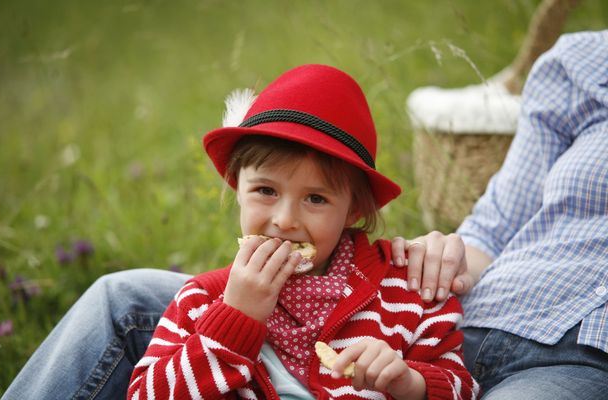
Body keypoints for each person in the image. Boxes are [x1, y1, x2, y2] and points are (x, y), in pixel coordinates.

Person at [125, 64, 477, 399]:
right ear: (237, 189)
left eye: (315, 198)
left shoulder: (407, 292)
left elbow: (464, 388)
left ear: (353, 209)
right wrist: (233, 321)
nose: (285, 219)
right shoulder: (202, 301)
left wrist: (409, 383)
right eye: (265, 191)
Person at [389, 30, 608, 399]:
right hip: (467, 323)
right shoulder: (588, 63)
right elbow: (496, 226)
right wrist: (445, 260)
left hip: (578, 363)